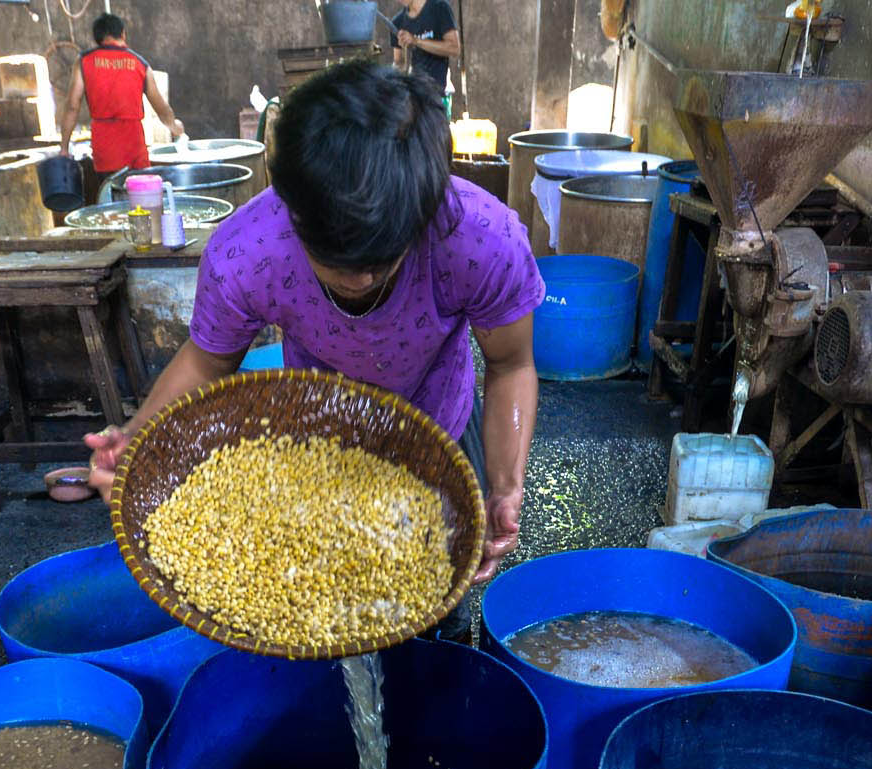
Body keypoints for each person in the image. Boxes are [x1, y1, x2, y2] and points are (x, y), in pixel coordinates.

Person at [85, 62, 539, 596]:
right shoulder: (248, 253)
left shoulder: (480, 240)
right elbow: (208, 359)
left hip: (441, 421)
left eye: (381, 260)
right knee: (326, 596)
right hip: (321, 438)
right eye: (338, 263)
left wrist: (505, 485)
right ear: (293, 214)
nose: (362, 279)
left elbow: (510, 364)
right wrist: (136, 440)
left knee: (443, 595)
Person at [59, 13, 183, 182]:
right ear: (123, 33)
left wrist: (64, 148)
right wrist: (175, 127)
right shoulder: (140, 63)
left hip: (105, 146)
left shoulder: (84, 62)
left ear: (97, 38)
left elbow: (72, 106)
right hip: (134, 145)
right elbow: (161, 108)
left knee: (110, 197)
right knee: (140, 197)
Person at [392, 0, 461, 95]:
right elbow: (399, 62)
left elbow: (454, 49)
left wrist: (416, 41)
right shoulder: (398, 22)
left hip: (440, 93)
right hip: (417, 93)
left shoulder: (439, 7)